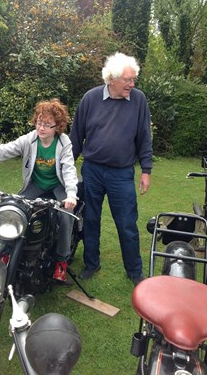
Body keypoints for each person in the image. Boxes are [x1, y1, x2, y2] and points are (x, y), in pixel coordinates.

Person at [0, 98, 78, 282]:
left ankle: (61, 261)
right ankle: (7, 251)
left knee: (65, 214)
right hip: (36, 185)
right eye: (39, 122)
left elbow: (69, 170)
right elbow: (3, 150)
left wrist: (71, 194)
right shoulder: (30, 140)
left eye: (47, 124)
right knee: (14, 210)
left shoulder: (64, 143)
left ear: (58, 126)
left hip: (57, 187)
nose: (41, 128)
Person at [70, 52, 153, 285]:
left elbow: (145, 137)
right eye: (127, 79)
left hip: (122, 174)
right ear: (112, 79)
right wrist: (65, 168)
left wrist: (146, 170)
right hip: (92, 171)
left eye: (133, 79)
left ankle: (135, 271)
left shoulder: (138, 100)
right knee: (90, 219)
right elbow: (76, 137)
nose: (132, 84)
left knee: (127, 223)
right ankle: (91, 264)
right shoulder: (90, 98)